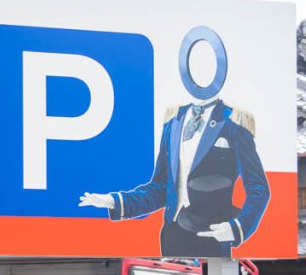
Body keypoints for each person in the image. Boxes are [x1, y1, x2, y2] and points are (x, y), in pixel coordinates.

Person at [79, 98, 270, 258]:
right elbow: (160, 188)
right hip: (172, 234)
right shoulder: (174, 121)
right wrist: (114, 200)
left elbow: (259, 188)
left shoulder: (233, 122)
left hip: (213, 233)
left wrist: (238, 227)